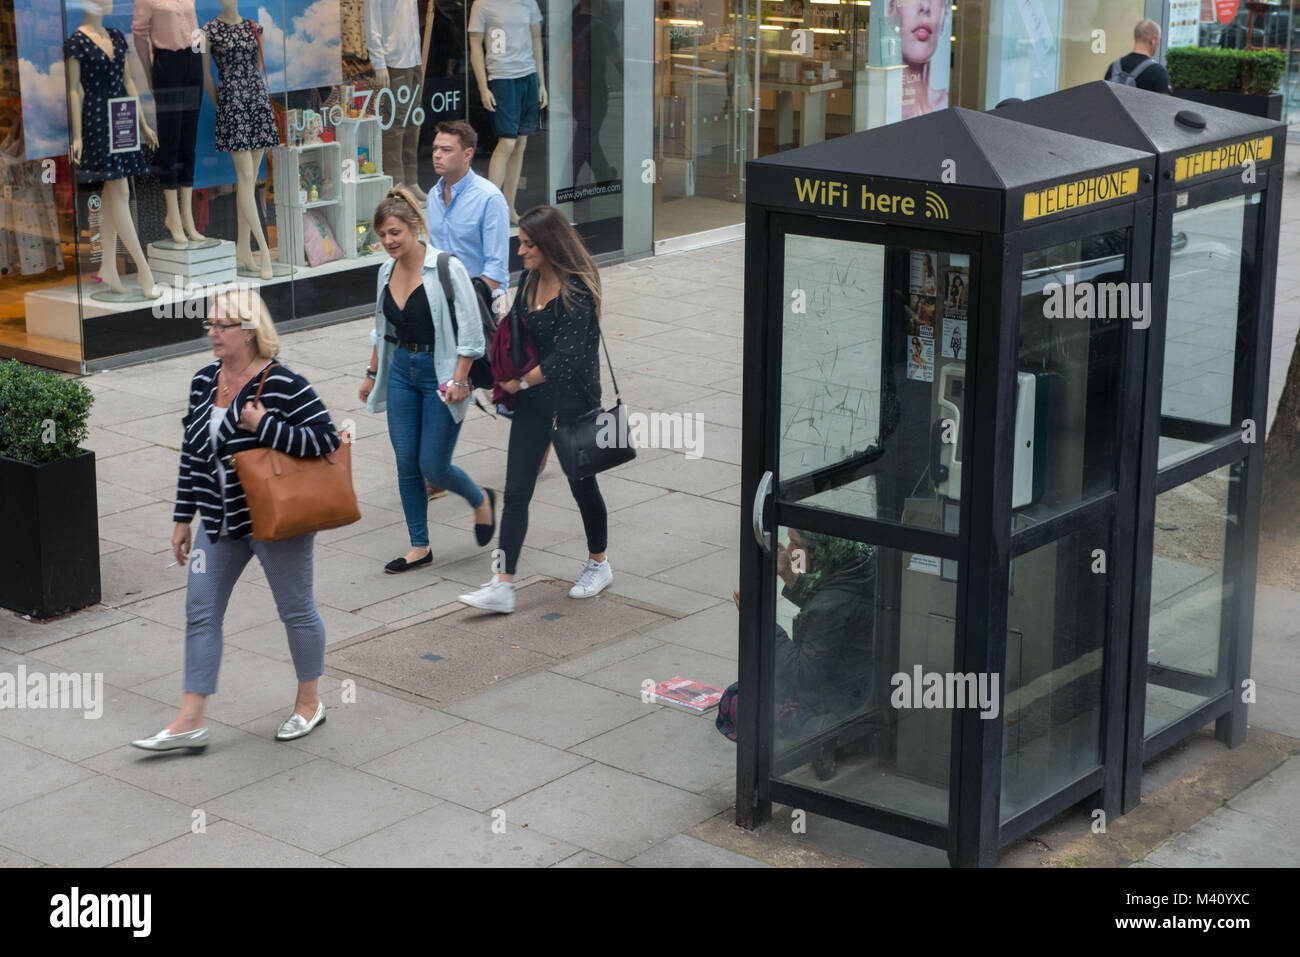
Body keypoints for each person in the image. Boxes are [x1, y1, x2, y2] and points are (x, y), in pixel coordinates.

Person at [132, 288, 340, 752]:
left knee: (296, 609)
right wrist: (183, 517)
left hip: (274, 520)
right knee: (200, 611)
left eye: (220, 326)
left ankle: (310, 702)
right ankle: (190, 719)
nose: (211, 334)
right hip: (219, 523)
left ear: (248, 330)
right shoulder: (205, 380)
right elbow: (192, 452)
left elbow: (326, 442)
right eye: (208, 325)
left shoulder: (284, 383)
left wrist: (264, 426)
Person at [458, 205, 610, 613]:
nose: (520, 251)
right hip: (532, 406)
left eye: (527, 244)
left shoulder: (577, 290)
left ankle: (599, 562)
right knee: (518, 491)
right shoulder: (528, 280)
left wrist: (519, 380)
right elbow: (517, 332)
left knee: (583, 486)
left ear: (548, 245)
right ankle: (503, 584)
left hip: (574, 404)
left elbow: (569, 358)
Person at [359, 188, 496, 574]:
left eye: (395, 233)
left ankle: (480, 499)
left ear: (415, 228)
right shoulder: (385, 271)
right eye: (383, 234)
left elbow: (470, 334)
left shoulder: (446, 268)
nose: (388, 241)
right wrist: (372, 374)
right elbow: (381, 328)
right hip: (401, 370)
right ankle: (419, 545)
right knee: (406, 463)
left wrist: (459, 380)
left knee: (433, 466)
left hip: (441, 373)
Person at [717, 531, 878, 779]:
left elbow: (802, 674)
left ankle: (821, 732)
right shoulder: (859, 565)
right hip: (861, 684)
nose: (791, 550)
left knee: (738, 698)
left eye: (798, 544)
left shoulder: (830, 605)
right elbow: (827, 598)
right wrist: (788, 574)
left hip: (840, 698)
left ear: (821, 551)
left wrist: (760, 619)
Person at [424, 118, 519, 489]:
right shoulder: (432, 196)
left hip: (480, 306)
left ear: (467, 155)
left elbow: (497, 268)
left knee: (498, 383)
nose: (437, 154)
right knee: (446, 380)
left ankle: (535, 428)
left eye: (446, 149)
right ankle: (436, 470)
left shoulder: (489, 198)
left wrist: (470, 301)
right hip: (440, 303)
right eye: (435, 148)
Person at [890, 0, 949, 118]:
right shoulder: (880, 106)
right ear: (892, 10)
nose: (925, 7)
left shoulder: (951, 104)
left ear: (944, 16)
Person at [1104, 19, 1172, 94]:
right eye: (1159, 40)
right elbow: (1165, 104)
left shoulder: (1113, 67)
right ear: (1154, 39)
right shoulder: (1158, 72)